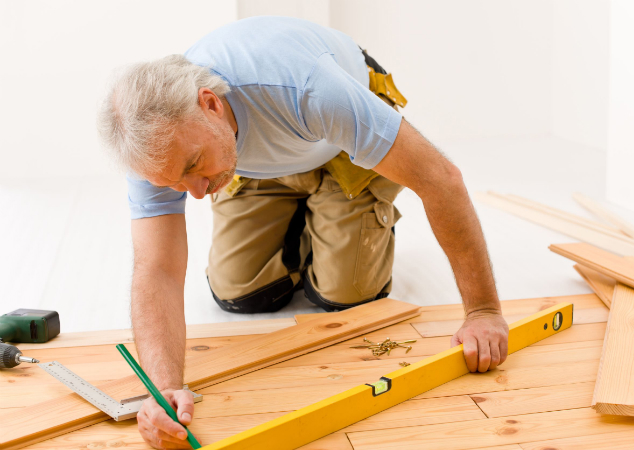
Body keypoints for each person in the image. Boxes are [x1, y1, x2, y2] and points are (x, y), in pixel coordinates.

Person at [98, 16, 508, 450]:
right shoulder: (156, 146)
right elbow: (156, 266)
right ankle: (300, 210)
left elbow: (441, 179)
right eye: (175, 183)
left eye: (192, 166)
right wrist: (163, 388)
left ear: (210, 104)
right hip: (254, 156)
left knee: (345, 296)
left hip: (336, 145)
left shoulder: (313, 91)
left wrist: (482, 312)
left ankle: (333, 202)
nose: (197, 195)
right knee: (242, 294)